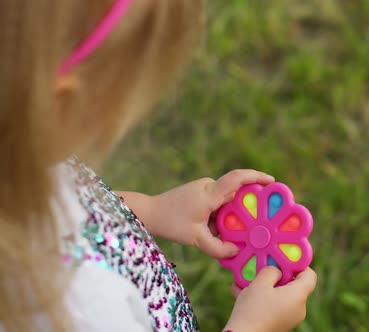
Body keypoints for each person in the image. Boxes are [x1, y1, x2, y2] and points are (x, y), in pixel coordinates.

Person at [0, 1, 317, 331]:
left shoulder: (22, 153)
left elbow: (72, 205)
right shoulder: (82, 309)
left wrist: (154, 210)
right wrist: (254, 327)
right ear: (61, 105)